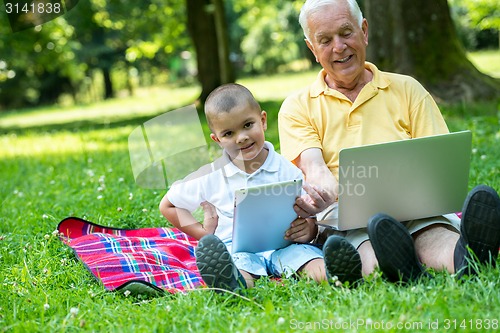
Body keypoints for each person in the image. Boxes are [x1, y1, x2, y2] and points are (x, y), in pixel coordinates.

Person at [278, 0, 500, 284]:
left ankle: (466, 258)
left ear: (364, 31)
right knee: (364, 244)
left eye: (346, 33)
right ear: (312, 49)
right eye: (325, 40)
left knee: (433, 231)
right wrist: (326, 193)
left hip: (415, 204)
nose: (339, 47)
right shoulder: (297, 106)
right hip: (345, 215)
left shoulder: (407, 89)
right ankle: (399, 268)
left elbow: (439, 161)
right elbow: (315, 168)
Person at [160, 83, 341, 292]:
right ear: (217, 139)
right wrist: (203, 234)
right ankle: (228, 283)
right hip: (237, 251)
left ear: (262, 120)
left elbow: (306, 212)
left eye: (247, 125)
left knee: (310, 261)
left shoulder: (287, 169)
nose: (242, 137)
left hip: (285, 246)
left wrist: (308, 228)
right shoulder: (211, 176)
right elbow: (169, 205)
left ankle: (338, 273)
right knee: (238, 271)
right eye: (228, 133)